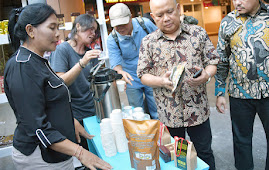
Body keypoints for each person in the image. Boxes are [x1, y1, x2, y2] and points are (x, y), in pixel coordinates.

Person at [4, 3, 112, 170]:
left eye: (58, 27)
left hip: (57, 153)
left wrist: (70, 121)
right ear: (30, 30)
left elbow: (50, 99)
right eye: (52, 28)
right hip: (40, 157)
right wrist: (81, 153)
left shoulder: (38, 60)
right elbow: (37, 128)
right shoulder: (22, 66)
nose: (57, 34)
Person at [215, 0, 269, 170]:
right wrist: (219, 91)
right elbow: (222, 59)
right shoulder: (228, 22)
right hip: (240, 93)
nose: (236, 2)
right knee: (241, 142)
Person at [137, 0, 219, 169]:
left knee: (204, 152)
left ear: (178, 8)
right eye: (159, 15)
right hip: (169, 114)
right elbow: (142, 75)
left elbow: (212, 62)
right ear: (153, 17)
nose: (166, 18)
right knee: (177, 157)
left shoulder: (198, 34)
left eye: (169, 12)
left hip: (198, 111)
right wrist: (160, 81)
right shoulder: (148, 42)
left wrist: (207, 75)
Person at [50, 14, 101, 150]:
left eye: (95, 30)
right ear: (78, 26)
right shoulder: (62, 50)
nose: (93, 33)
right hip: (74, 114)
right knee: (84, 151)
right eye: (90, 29)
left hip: (94, 111)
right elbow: (60, 82)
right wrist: (82, 62)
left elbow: (97, 82)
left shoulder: (90, 53)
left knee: (97, 149)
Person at [107, 3, 158, 119]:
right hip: (131, 78)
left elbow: (160, 39)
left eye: (123, 23)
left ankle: (161, 133)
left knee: (157, 109)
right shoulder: (112, 39)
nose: (120, 28)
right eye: (116, 25)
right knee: (137, 112)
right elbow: (116, 64)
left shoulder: (144, 24)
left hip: (152, 74)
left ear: (130, 17)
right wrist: (121, 73)